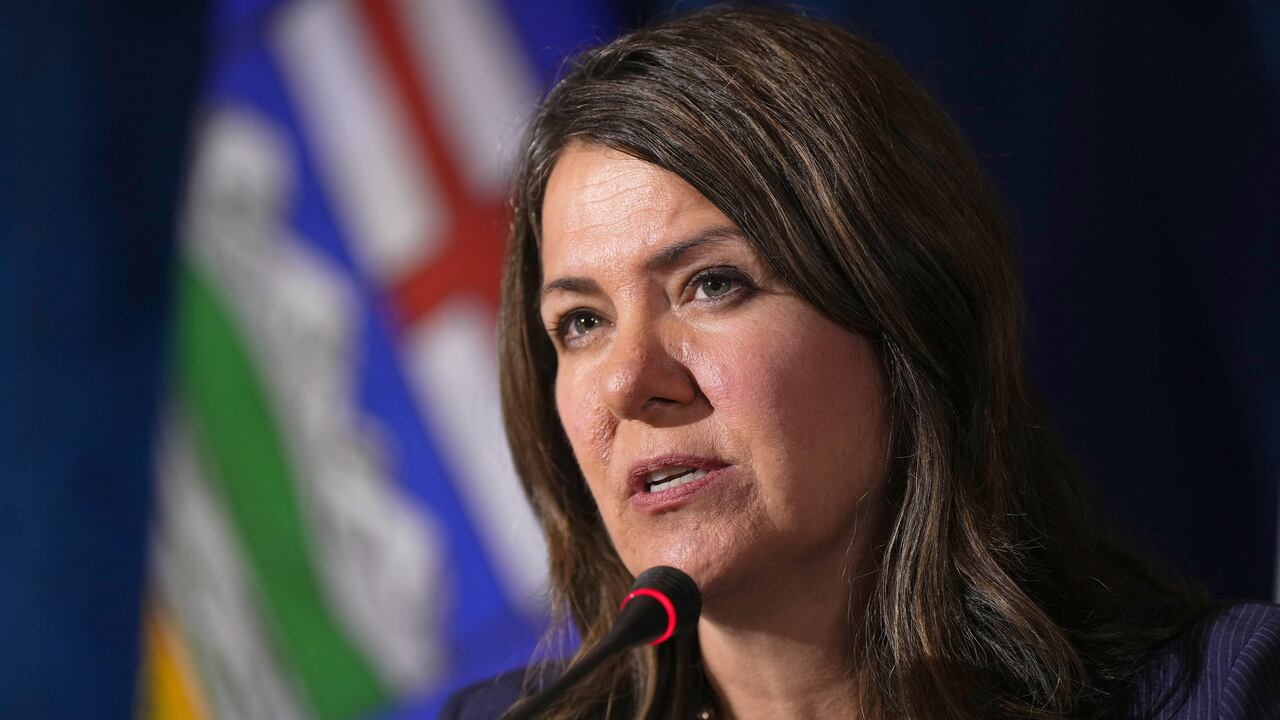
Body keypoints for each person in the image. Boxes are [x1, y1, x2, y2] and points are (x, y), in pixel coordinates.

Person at [444, 7, 1280, 719]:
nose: (628, 381)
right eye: (581, 321)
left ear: (902, 315)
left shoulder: (1224, 696)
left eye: (713, 284)